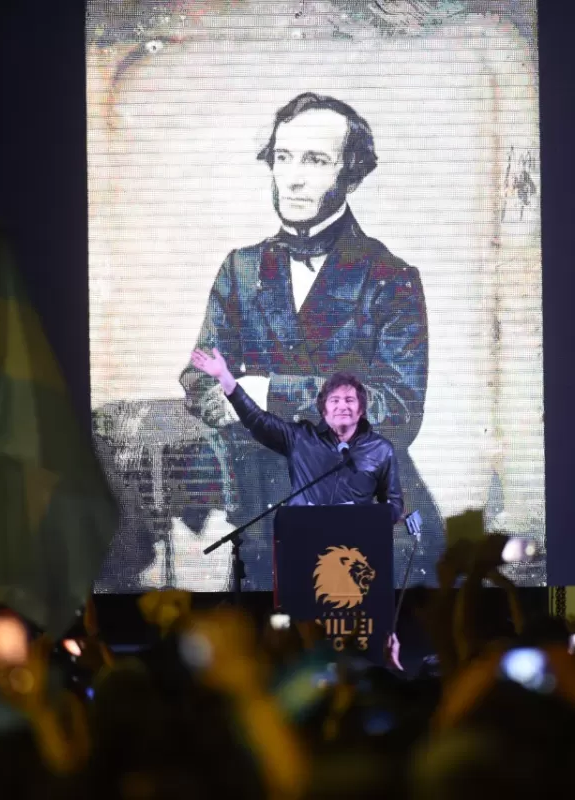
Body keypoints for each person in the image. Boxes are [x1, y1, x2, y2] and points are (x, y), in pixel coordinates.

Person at [178, 92, 441, 589]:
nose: (293, 177)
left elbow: (400, 411)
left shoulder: (390, 276)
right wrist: (222, 397)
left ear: (353, 174)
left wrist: (271, 393)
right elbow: (199, 375)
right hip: (263, 515)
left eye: (316, 160)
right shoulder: (241, 269)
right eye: (283, 157)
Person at [189, 352, 402, 523]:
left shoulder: (381, 449)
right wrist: (227, 380)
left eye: (349, 400)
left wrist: (362, 516)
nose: (342, 407)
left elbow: (393, 505)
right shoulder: (301, 439)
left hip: (356, 549)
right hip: (304, 541)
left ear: (362, 409)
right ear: (323, 410)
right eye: (334, 401)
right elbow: (256, 419)